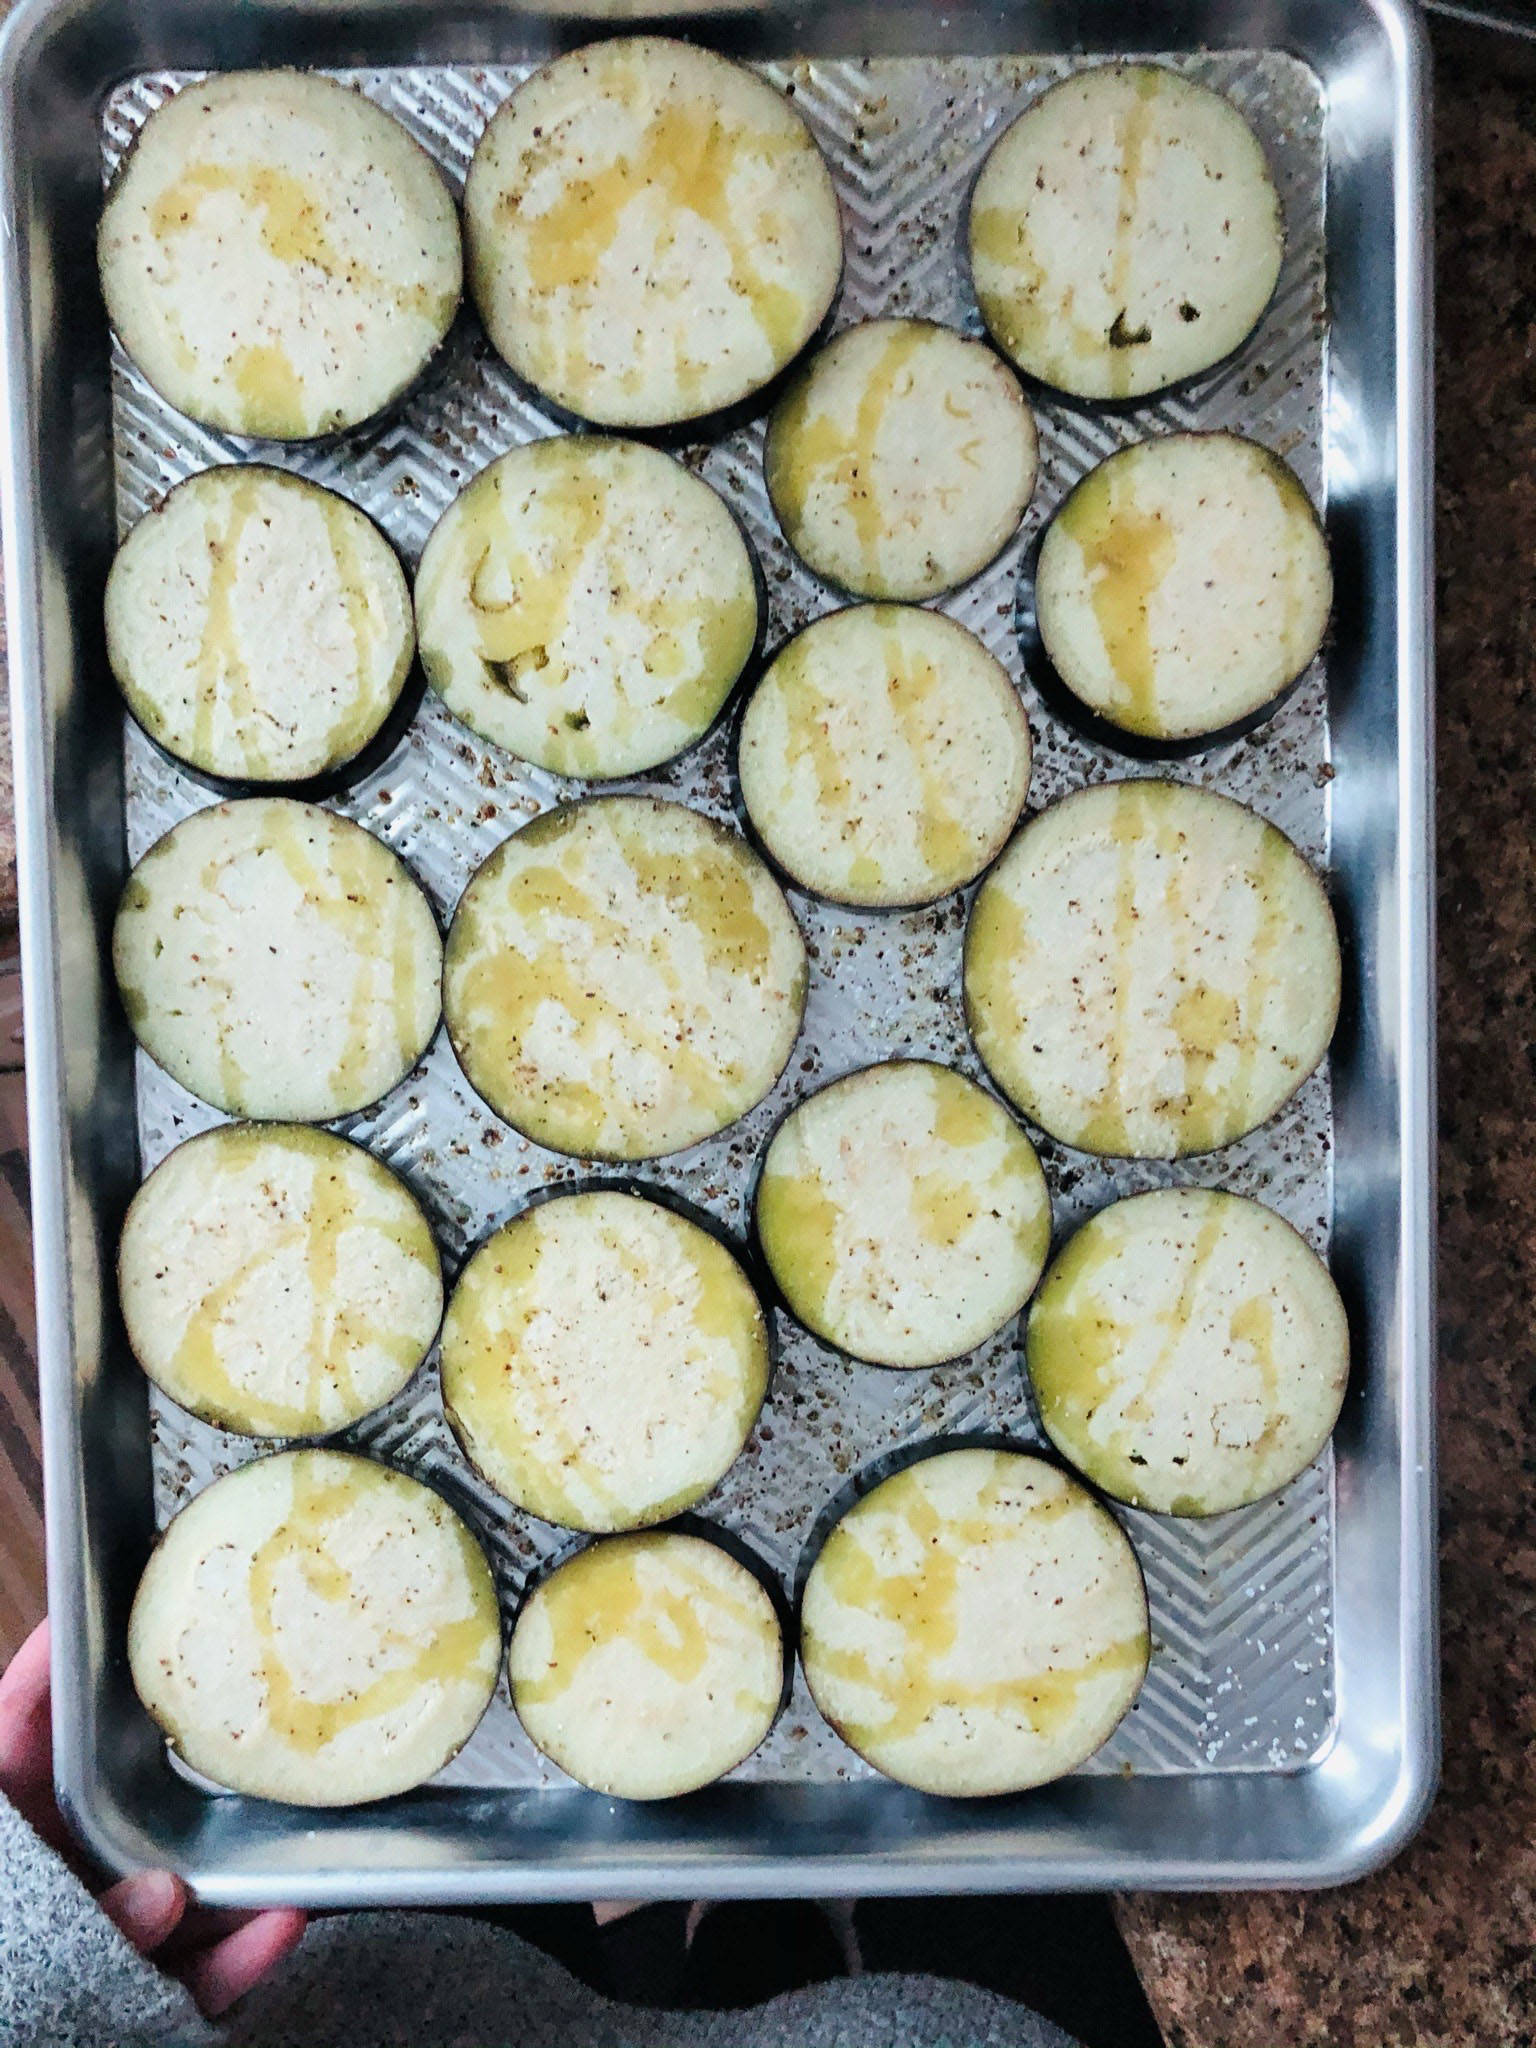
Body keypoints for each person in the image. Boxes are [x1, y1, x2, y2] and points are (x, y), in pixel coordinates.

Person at [0, 1619, 1080, 2048]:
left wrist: (47, 1999)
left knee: (470, 1836)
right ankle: (752, 1951)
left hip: (392, 2007)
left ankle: (738, 1954)